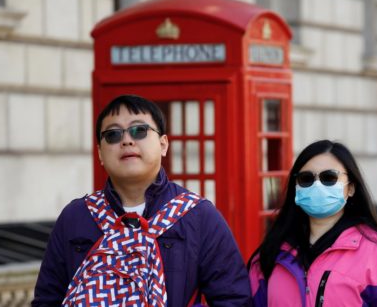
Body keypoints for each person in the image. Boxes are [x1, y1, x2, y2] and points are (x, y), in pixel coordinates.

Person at [33, 94, 251, 306]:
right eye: (113, 135)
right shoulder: (76, 216)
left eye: (139, 131)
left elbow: (233, 299)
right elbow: (48, 299)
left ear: (163, 144)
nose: (127, 140)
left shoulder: (199, 215)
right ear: (100, 152)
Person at [249, 139, 377, 306]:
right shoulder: (271, 254)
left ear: (351, 188)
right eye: (306, 178)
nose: (317, 185)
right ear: (295, 188)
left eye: (329, 177)